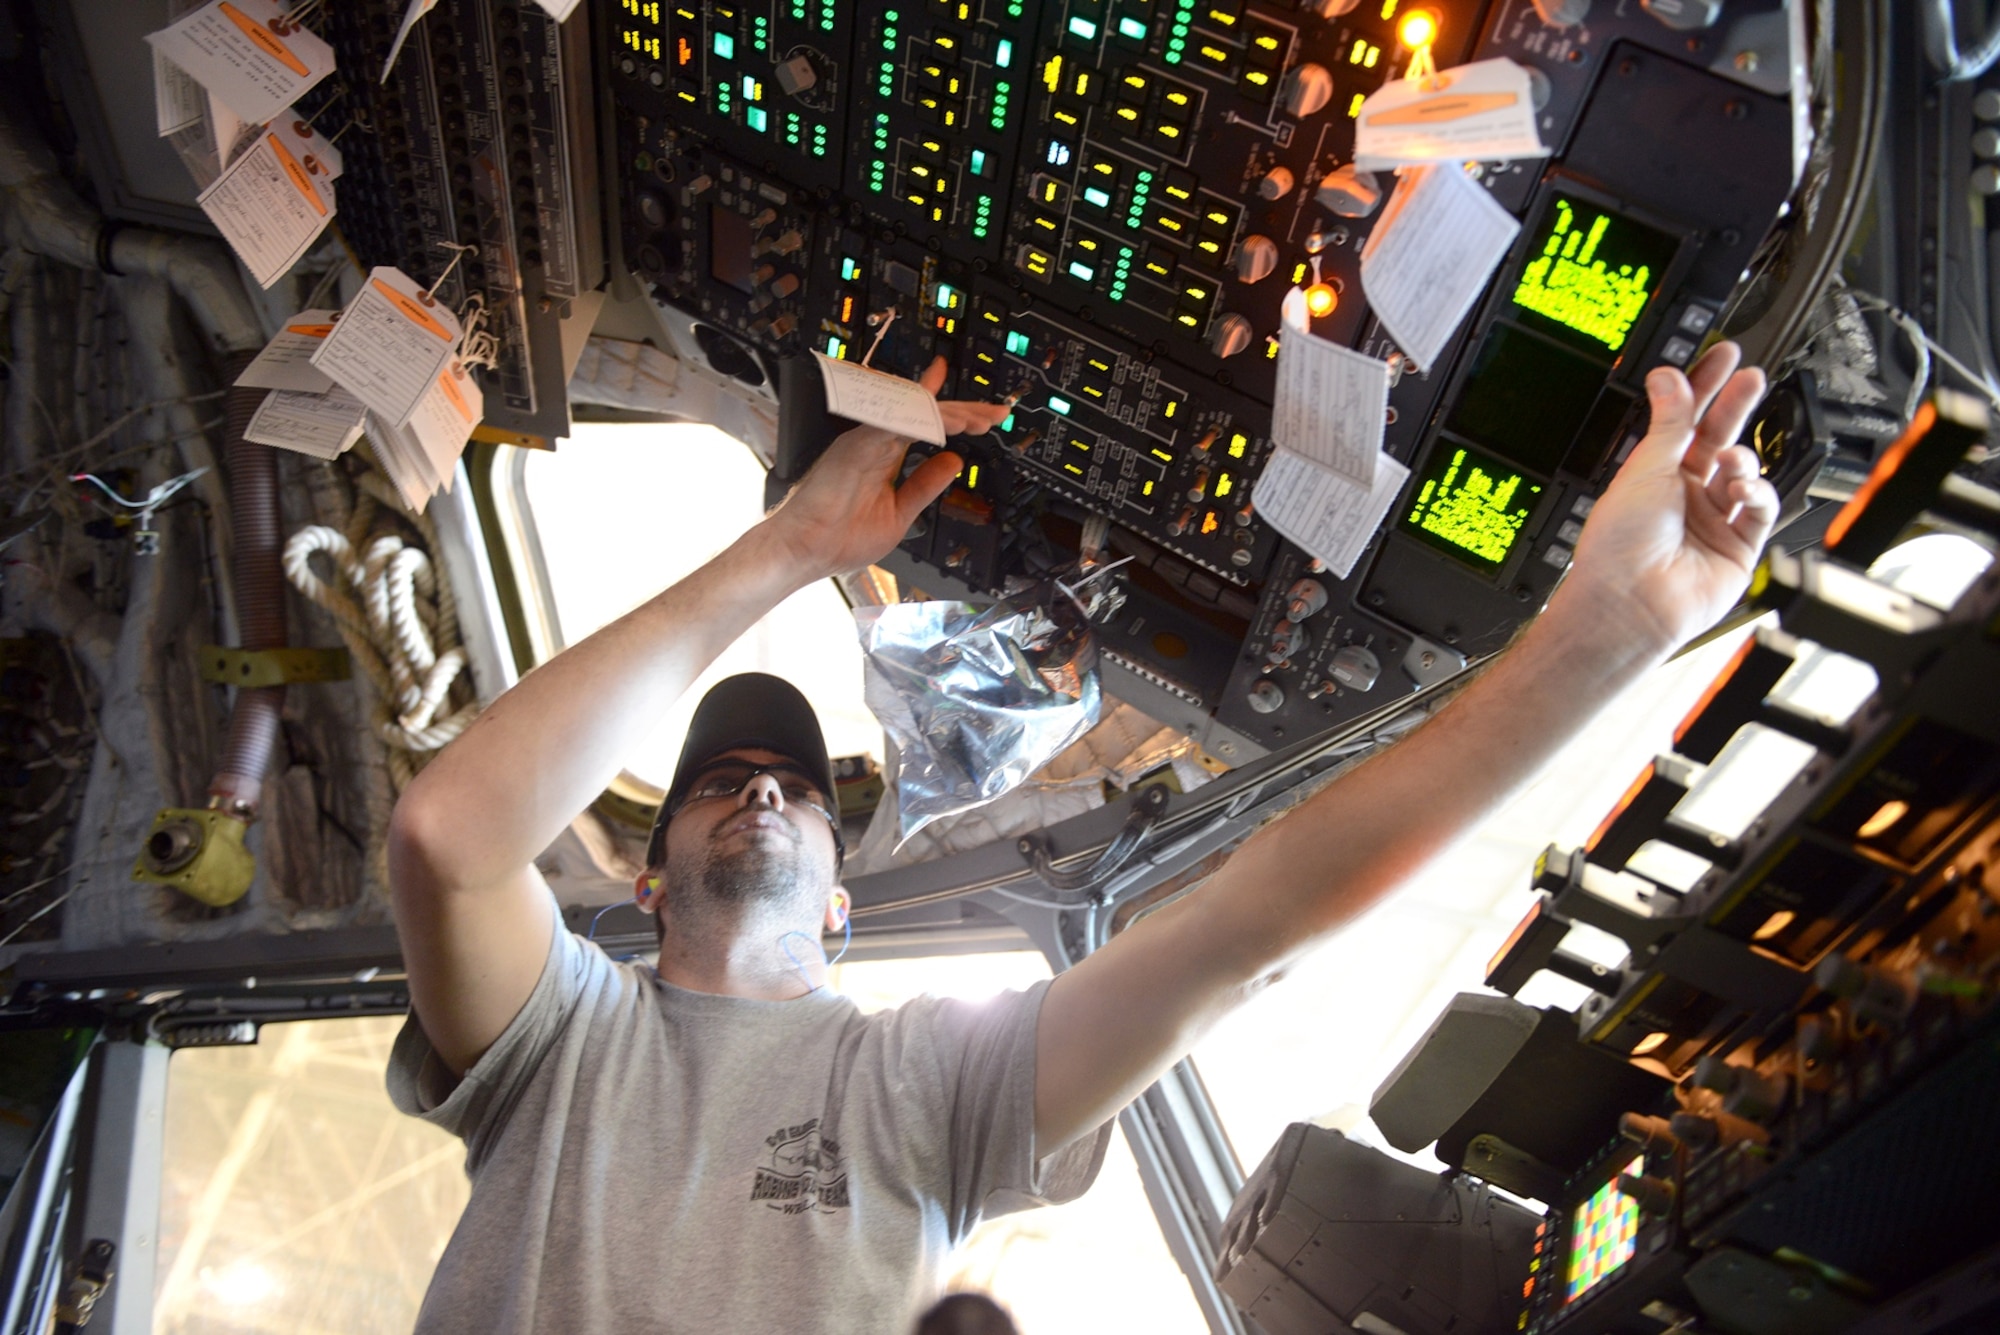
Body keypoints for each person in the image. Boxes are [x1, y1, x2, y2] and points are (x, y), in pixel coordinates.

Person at [385, 347, 1778, 1333]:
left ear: (841, 912)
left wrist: (1607, 632)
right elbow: (448, 834)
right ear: (643, 880)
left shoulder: (926, 1082)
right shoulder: (558, 1043)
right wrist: (795, 548)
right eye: (723, 784)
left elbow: (1248, 926)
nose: (764, 796)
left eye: (800, 791)